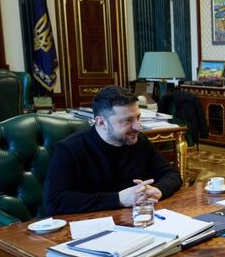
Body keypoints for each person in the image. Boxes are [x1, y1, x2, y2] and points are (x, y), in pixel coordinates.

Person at [44, 85, 183, 215]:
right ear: (101, 122)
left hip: (136, 219)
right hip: (92, 224)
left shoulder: (140, 141)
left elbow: (171, 174)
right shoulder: (69, 149)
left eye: (138, 117)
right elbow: (54, 201)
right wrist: (118, 199)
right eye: (128, 120)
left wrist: (158, 190)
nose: (138, 126)